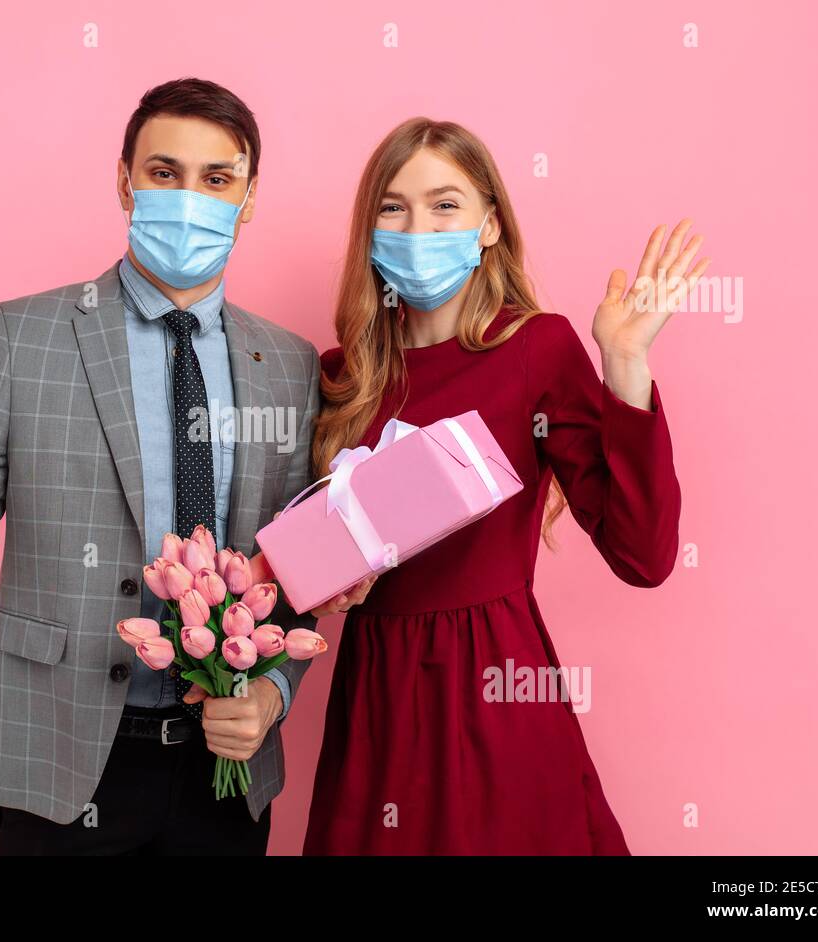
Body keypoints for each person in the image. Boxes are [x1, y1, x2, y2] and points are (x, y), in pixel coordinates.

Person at [0, 78, 323, 855]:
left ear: (249, 195)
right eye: (164, 173)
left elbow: (298, 571)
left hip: (225, 777)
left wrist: (272, 693)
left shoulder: (290, 366)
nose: (189, 198)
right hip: (58, 768)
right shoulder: (20, 338)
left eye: (217, 179)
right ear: (124, 180)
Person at [299, 117, 707, 855]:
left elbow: (643, 557)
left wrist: (625, 366)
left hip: (496, 687)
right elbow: (301, 564)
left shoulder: (536, 349)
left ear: (489, 225)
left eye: (445, 204)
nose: (418, 226)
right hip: (374, 701)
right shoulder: (340, 375)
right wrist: (325, 582)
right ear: (370, 229)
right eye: (393, 207)